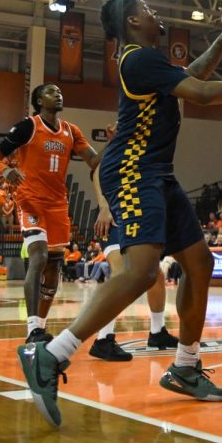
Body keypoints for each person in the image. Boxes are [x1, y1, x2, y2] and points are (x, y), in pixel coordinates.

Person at [18, 0, 222, 428]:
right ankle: (51, 353)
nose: (158, 14)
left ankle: (184, 366)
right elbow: (201, 92)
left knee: (199, 263)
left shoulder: (151, 63)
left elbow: (193, 74)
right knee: (140, 271)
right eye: (151, 9)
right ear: (135, 20)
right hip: (133, 171)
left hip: (158, 172)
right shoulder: (136, 60)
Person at [0, 84, 101, 345]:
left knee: (53, 268)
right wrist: (5, 170)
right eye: (50, 91)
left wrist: (116, 140)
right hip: (31, 201)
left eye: (59, 91)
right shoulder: (28, 126)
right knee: (38, 258)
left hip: (58, 205)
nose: (58, 94)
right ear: (39, 100)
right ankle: (32, 328)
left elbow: (95, 162)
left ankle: (41, 327)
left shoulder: (72, 131)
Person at [85, 124, 181, 361]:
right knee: (120, 274)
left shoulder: (145, 150)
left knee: (155, 274)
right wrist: (103, 207)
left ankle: (157, 333)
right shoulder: (116, 148)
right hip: (113, 216)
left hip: (134, 216)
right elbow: (96, 172)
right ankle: (103, 339)